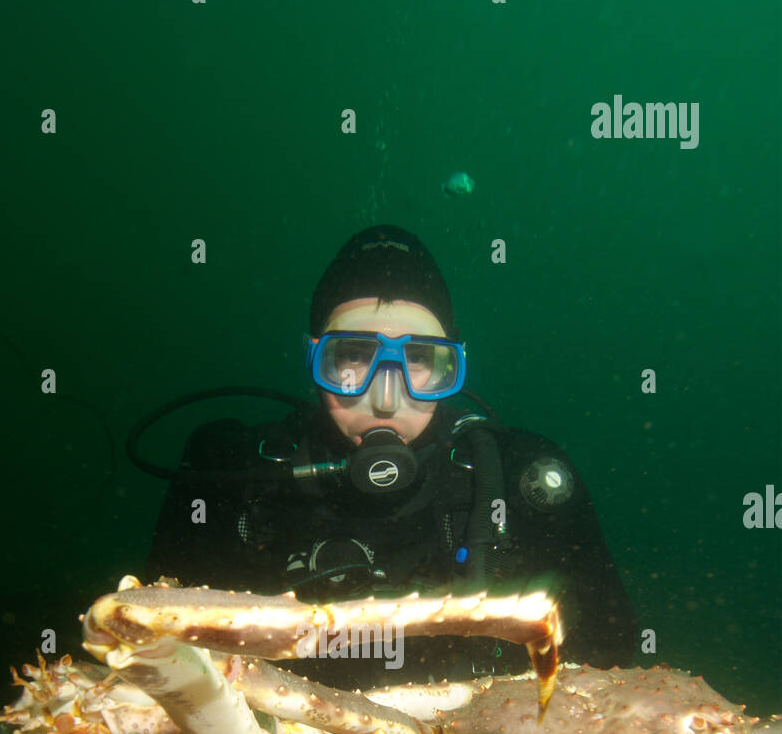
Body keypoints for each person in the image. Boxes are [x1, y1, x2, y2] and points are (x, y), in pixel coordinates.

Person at [146, 225, 636, 685]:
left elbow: (611, 669)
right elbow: (158, 662)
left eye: (420, 360)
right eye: (353, 356)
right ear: (313, 357)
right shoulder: (228, 475)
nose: (385, 397)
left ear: (453, 364)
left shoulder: (524, 483)